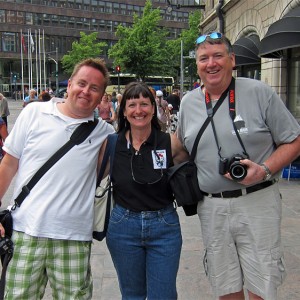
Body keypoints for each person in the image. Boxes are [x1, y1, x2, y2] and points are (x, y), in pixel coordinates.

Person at [177, 32, 300, 300]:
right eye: (204, 58)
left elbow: (294, 140)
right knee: (225, 283)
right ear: (196, 65)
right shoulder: (188, 103)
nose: (211, 64)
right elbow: (180, 150)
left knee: (262, 284)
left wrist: (264, 169)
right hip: (212, 208)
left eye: (218, 56)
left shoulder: (259, 92)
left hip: (258, 201)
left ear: (232, 60)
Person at [0, 58, 115, 299]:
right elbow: (8, 165)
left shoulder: (105, 133)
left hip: (72, 237)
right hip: (24, 232)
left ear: (102, 95)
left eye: (94, 88)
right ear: (70, 83)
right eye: (81, 83)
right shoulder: (34, 112)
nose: (86, 91)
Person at [105, 82, 189, 300]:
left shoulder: (169, 143)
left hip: (164, 227)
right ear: (123, 111)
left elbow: (190, 171)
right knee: (132, 295)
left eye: (144, 104)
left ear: (153, 108)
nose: (138, 110)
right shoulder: (112, 144)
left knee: (164, 295)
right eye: (132, 105)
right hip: (123, 227)